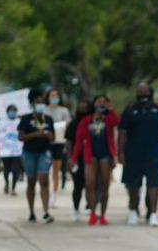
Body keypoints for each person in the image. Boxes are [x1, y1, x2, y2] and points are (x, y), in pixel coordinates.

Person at [119, 83, 158, 227]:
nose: (143, 94)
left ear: (151, 93)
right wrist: (121, 152)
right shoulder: (130, 110)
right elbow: (122, 132)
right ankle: (133, 211)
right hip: (133, 153)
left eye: (146, 91)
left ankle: (153, 213)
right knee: (133, 185)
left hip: (154, 153)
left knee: (153, 184)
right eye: (140, 91)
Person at [72, 95, 119, 225]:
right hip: (90, 155)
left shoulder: (108, 119)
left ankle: (103, 214)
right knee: (90, 183)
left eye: (104, 102)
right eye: (99, 101)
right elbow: (78, 141)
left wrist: (111, 110)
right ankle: (92, 213)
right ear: (94, 104)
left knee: (105, 185)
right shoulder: (86, 120)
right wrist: (74, 158)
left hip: (105, 155)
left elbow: (117, 122)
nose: (101, 104)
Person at [18, 89, 56, 223]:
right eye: (37, 102)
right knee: (31, 182)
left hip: (44, 152)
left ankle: (45, 211)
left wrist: (48, 135)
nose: (40, 104)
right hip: (29, 152)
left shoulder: (48, 119)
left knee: (44, 180)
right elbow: (20, 137)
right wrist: (35, 134)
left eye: (41, 102)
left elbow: (53, 138)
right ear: (32, 103)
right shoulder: (25, 119)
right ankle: (31, 211)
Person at [44, 88, 72, 208]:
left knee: (56, 170)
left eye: (56, 95)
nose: (54, 97)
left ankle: (54, 194)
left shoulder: (64, 111)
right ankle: (45, 192)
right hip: (45, 143)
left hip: (59, 143)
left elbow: (68, 125)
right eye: (52, 95)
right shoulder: (44, 109)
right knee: (45, 170)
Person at [65, 99, 91, 222]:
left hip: (90, 157)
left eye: (86, 108)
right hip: (77, 158)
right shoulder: (73, 124)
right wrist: (70, 158)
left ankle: (90, 205)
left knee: (91, 184)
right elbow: (69, 142)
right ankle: (76, 208)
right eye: (81, 108)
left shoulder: (93, 122)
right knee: (78, 185)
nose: (83, 110)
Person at [0, 104, 23, 196]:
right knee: (6, 169)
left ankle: (13, 188)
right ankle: (7, 183)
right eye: (11, 111)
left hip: (17, 150)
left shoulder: (19, 121)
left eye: (14, 111)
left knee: (15, 169)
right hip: (5, 150)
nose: (12, 113)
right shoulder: (3, 121)